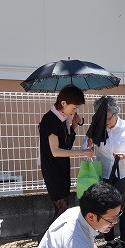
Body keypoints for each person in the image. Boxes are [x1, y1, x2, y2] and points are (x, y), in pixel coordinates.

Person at [84, 96, 125, 248]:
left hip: (124, 172)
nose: (106, 121)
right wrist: (87, 145)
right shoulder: (97, 127)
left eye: (109, 117)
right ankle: (109, 241)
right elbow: (86, 147)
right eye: (103, 117)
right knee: (105, 207)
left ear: (116, 113)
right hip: (104, 173)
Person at [38, 85, 94, 223]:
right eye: (74, 107)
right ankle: (51, 241)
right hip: (53, 170)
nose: (75, 111)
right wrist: (81, 152)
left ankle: (56, 241)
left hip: (61, 169)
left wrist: (73, 127)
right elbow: (56, 151)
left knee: (63, 208)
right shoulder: (50, 120)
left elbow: (66, 146)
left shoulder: (62, 119)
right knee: (61, 209)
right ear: (63, 103)